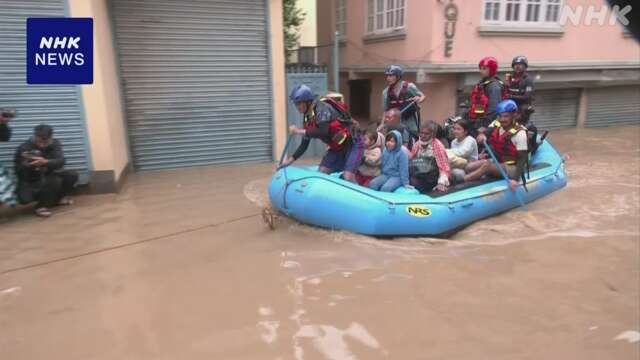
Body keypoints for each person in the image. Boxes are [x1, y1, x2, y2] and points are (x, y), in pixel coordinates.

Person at [283, 85, 362, 182]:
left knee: (348, 176)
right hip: (337, 146)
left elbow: (323, 132)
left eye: (299, 104)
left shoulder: (322, 108)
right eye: (296, 104)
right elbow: (305, 143)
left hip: (353, 142)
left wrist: (298, 131)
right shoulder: (308, 117)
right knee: (322, 173)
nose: (297, 107)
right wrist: (289, 161)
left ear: (308, 102)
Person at [14, 124, 78, 217]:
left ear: (51, 137)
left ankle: (43, 205)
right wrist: (27, 165)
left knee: (71, 175)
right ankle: (44, 200)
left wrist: (46, 162)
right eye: (39, 142)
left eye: (45, 142)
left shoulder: (55, 143)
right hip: (31, 178)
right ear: (35, 136)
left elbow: (61, 161)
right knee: (24, 199)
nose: (42, 145)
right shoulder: (24, 147)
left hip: (49, 173)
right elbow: (18, 169)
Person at [464, 100, 528, 191]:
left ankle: (462, 182)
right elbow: (487, 132)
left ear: (513, 116)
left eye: (506, 116)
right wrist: (483, 135)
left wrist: (515, 180)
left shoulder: (520, 133)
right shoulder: (497, 123)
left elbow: (522, 158)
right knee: (469, 166)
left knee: (487, 165)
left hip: (514, 168)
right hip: (499, 162)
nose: (502, 119)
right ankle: (465, 177)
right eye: (500, 116)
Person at [382, 65, 425, 141]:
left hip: (410, 123)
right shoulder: (386, 92)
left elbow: (422, 96)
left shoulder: (409, 87)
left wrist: (419, 99)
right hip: (394, 124)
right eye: (387, 76)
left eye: (391, 75)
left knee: (411, 142)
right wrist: (383, 124)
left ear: (398, 77)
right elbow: (385, 111)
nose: (388, 78)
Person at [409, 121, 451, 193]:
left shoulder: (438, 146)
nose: (423, 136)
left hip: (432, 178)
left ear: (433, 135)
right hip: (419, 174)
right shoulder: (417, 144)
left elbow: (444, 168)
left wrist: (441, 183)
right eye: (421, 133)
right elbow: (411, 160)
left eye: (426, 134)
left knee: (414, 182)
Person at [468, 57, 507, 134]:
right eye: (480, 68)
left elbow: (494, 108)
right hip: (477, 122)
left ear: (492, 69)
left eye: (484, 68)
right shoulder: (483, 83)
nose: (481, 71)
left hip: (487, 126)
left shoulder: (494, 86)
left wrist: (484, 125)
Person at [506, 55, 535, 125]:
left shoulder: (528, 80)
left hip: (522, 110)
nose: (517, 67)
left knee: (519, 128)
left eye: (520, 65)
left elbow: (526, 97)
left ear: (525, 67)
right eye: (515, 65)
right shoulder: (510, 78)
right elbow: (506, 91)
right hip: (511, 108)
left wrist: (511, 96)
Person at [1, 109, 17, 208]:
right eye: (4, 114)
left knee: (6, 182)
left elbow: (5, 138)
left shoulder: (5, 128)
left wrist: (3, 123)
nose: (6, 117)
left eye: (9, 116)